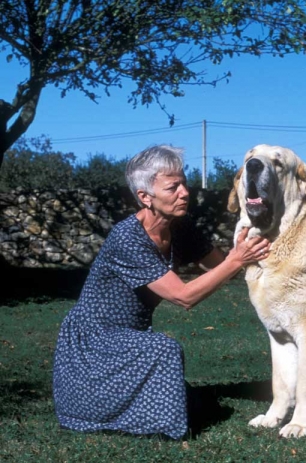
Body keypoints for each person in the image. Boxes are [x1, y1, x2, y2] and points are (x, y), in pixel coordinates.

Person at [52, 144, 269, 439]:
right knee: (164, 351)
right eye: (173, 187)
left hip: (130, 340)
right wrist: (237, 259)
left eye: (184, 183)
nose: (185, 192)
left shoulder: (181, 226)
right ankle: (154, 427)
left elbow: (218, 266)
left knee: (189, 398)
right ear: (145, 197)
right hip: (93, 345)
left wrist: (244, 244)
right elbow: (184, 296)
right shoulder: (127, 239)